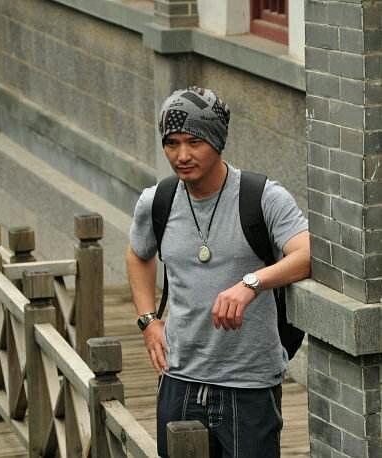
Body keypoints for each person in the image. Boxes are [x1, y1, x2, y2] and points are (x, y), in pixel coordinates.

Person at [126, 87, 310, 458]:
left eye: (194, 142)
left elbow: (307, 254)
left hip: (250, 384)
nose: (182, 155)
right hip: (179, 378)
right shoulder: (157, 201)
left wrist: (251, 284)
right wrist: (148, 321)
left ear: (217, 141)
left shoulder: (263, 197)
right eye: (172, 143)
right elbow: (137, 254)